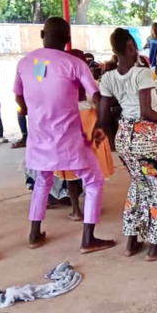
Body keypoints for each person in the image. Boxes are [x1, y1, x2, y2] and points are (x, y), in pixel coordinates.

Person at [14, 17, 116, 253]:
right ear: (68, 39)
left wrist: (32, 110)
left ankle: (34, 234)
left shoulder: (25, 63)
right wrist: (101, 125)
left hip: (39, 139)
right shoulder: (74, 63)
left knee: (43, 181)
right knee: (93, 181)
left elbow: (19, 98)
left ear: (42, 34)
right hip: (69, 139)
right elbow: (96, 96)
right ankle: (88, 239)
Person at [98, 27, 157, 261]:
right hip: (143, 137)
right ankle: (155, 248)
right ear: (129, 46)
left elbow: (103, 117)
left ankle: (131, 242)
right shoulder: (142, 73)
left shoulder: (107, 77)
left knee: (139, 185)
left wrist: (104, 133)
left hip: (124, 135)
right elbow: (147, 112)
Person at [53, 49, 115, 222]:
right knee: (92, 173)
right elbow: (101, 104)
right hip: (91, 128)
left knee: (72, 174)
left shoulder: (62, 84)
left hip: (71, 129)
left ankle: (76, 210)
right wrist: (101, 126)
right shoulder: (91, 83)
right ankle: (91, 207)